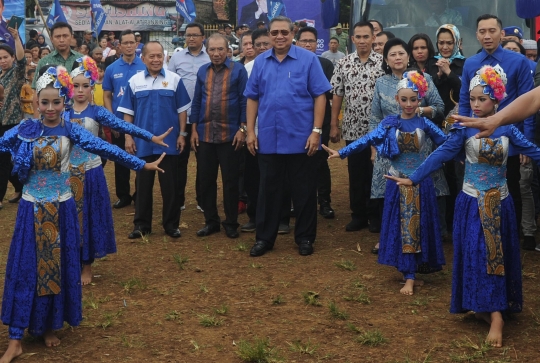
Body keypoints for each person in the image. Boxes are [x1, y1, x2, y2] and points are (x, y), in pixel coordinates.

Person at [0, 65, 166, 363]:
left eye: (56, 102)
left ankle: (49, 326)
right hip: (31, 209)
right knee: (28, 267)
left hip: (62, 207)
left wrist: (142, 164)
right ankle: (16, 338)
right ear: (36, 102)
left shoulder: (70, 129)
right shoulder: (24, 130)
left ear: (64, 102)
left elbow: (106, 147)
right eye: (44, 102)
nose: (50, 108)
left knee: (59, 267)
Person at [387, 65, 536, 348]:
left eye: (483, 99)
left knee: (497, 255)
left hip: (500, 204)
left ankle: (495, 314)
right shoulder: (463, 130)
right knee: (477, 253)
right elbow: (439, 155)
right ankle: (486, 308)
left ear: (497, 100)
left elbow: (534, 151)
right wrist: (413, 178)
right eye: (473, 99)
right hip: (470, 203)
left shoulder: (508, 129)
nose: (476, 104)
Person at [326, 71, 446, 295]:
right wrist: (341, 152)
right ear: (396, 99)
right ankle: (407, 273)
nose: (409, 104)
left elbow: (447, 145)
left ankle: (412, 272)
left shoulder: (426, 124)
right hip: (396, 183)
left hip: (420, 183)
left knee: (418, 227)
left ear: (419, 99)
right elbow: (366, 139)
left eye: (413, 99)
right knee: (401, 228)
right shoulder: (390, 124)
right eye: (404, 99)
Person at [69, 56, 171, 284]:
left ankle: (86, 264)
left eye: (86, 85)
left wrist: (150, 136)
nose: (81, 90)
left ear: (93, 86)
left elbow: (124, 125)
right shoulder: (62, 112)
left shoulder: (97, 112)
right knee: (69, 220)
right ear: (68, 87)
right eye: (75, 86)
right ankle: (69, 262)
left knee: (88, 219)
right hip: (65, 176)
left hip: (91, 172)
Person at [244, 16, 331, 257]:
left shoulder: (308, 60)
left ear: (293, 33)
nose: (279, 36)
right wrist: (251, 132)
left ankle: (304, 238)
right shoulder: (260, 63)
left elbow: (320, 96)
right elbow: (252, 98)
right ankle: (264, 238)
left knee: (303, 192)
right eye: (275, 33)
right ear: (269, 35)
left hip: (302, 139)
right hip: (269, 140)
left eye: (284, 32)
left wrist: (316, 131)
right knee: (268, 192)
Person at [458, 14, 535, 250]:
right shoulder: (471, 63)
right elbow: (463, 103)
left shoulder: (518, 62)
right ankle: (479, 239)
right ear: (477, 34)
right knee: (476, 189)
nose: (487, 35)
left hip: (508, 139)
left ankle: (513, 237)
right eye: (482, 31)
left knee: (510, 188)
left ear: (501, 34)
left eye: (492, 31)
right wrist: (462, 135)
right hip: (477, 138)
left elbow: (529, 103)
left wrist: (527, 141)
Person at [370, 38, 446, 253]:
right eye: (392, 54)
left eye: (401, 53)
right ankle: (389, 239)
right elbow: (375, 117)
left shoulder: (424, 78)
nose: (397, 58)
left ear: (408, 56)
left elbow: (439, 107)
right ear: (386, 59)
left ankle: (423, 238)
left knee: (421, 191)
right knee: (391, 194)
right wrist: (374, 145)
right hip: (390, 149)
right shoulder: (381, 82)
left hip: (419, 145)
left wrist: (416, 113)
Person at [118, 41, 191, 240]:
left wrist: (182, 134)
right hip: (142, 144)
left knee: (170, 187)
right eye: (152, 56)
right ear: (144, 59)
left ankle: (171, 225)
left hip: (168, 145)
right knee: (142, 187)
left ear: (165, 57)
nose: (156, 59)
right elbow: (128, 113)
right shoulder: (134, 81)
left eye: (160, 56)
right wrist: (128, 136)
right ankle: (141, 225)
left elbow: (182, 110)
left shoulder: (175, 80)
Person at [190, 34, 247, 239]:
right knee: (206, 181)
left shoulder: (238, 71)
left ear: (228, 50)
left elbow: (244, 102)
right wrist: (194, 130)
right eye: (212, 50)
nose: (216, 54)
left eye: (220, 49)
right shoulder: (202, 72)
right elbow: (196, 102)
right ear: (207, 50)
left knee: (230, 181)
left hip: (230, 135)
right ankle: (211, 221)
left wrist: (243, 130)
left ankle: (231, 222)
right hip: (205, 135)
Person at [330, 21, 385, 233]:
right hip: (352, 129)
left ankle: (375, 216)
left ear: (373, 38)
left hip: (378, 130)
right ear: (352, 39)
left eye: (366, 37)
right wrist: (334, 124)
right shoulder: (343, 63)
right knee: (356, 173)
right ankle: (358, 215)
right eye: (358, 37)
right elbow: (337, 94)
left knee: (376, 173)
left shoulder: (383, 63)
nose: (362, 41)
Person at [168, 22, 211, 213]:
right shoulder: (176, 58)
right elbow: (169, 85)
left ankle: (203, 200)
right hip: (181, 118)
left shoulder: (211, 57)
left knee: (205, 162)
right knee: (179, 161)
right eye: (188, 35)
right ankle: (178, 200)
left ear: (203, 37)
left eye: (195, 35)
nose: (191, 38)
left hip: (205, 118)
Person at [103, 29, 146, 209]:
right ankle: (123, 195)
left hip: (140, 123)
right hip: (119, 123)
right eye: (125, 43)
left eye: (132, 43)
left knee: (141, 158)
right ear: (119, 46)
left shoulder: (144, 67)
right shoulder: (112, 68)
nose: (129, 46)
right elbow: (107, 95)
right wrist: (112, 120)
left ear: (137, 45)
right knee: (121, 161)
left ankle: (139, 194)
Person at [297, 26, 335, 219]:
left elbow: (325, 93)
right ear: (297, 43)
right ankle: (299, 202)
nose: (307, 44)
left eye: (311, 41)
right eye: (304, 41)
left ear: (317, 44)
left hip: (321, 120)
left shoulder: (325, 64)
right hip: (297, 120)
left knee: (320, 161)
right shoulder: (291, 63)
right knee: (297, 162)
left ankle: (324, 202)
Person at [240, 28, 272, 233]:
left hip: (275, 131)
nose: (261, 48)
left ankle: (280, 217)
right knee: (252, 177)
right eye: (257, 44)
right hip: (252, 131)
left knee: (276, 177)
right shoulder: (246, 69)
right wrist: (245, 129)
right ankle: (254, 215)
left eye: (265, 44)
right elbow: (243, 101)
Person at [31, 22, 83, 116]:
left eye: (65, 36)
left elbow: (89, 90)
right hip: (51, 115)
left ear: (71, 37)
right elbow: (36, 92)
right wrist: (36, 116)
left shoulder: (82, 60)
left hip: (78, 113)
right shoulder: (44, 61)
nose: (62, 40)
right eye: (58, 36)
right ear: (51, 39)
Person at [0, 27, 24, 209]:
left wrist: (16, 39)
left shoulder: (15, 73)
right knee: (6, 160)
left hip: (12, 123)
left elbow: (23, 61)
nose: (2, 61)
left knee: (3, 160)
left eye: (5, 57)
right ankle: (19, 187)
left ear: (12, 58)